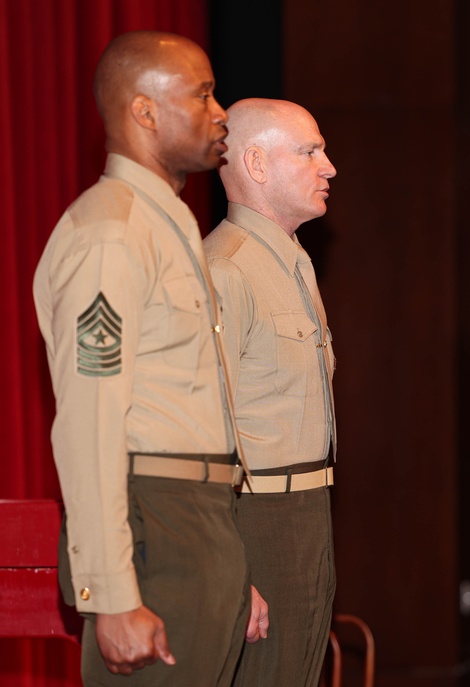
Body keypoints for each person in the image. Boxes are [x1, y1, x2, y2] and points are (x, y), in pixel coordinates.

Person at [33, 31, 268, 684]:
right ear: (143, 111)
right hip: (153, 524)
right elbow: (91, 422)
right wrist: (112, 594)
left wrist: (229, 564)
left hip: (196, 523)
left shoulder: (166, 224)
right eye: (201, 95)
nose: (220, 111)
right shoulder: (111, 233)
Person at [204, 98, 337, 687]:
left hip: (307, 509)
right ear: (256, 164)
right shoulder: (226, 269)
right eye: (309, 151)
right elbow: (204, 429)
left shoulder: (292, 264)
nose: (328, 166)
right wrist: (230, 567)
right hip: (254, 519)